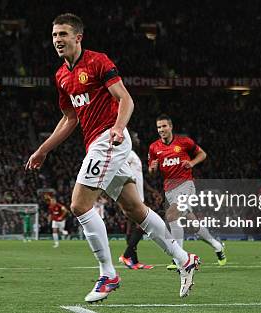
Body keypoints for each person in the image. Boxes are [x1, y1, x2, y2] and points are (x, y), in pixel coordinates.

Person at [26, 13, 199, 303]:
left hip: (110, 139)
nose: (58, 40)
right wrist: (43, 149)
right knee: (135, 209)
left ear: (78, 37)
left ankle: (108, 274)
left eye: (63, 34)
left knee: (79, 205)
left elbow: (125, 98)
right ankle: (184, 259)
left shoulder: (97, 61)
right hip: (98, 142)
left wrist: (118, 128)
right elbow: (70, 118)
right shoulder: (62, 76)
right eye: (55, 35)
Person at [148, 114, 226, 270]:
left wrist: (191, 163)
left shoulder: (184, 142)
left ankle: (180, 260)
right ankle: (217, 245)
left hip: (186, 185)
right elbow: (151, 171)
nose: (161, 129)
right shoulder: (154, 147)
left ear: (170, 127)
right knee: (193, 224)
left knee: (171, 215)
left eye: (164, 126)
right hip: (169, 190)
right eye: (159, 127)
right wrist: (152, 168)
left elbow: (202, 154)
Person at [118, 131, 154, 270]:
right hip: (133, 198)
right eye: (136, 137)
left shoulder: (133, 155)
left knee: (131, 228)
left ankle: (134, 261)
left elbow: (138, 177)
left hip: (137, 196)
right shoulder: (126, 154)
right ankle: (126, 256)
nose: (138, 139)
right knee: (143, 226)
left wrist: (151, 191)